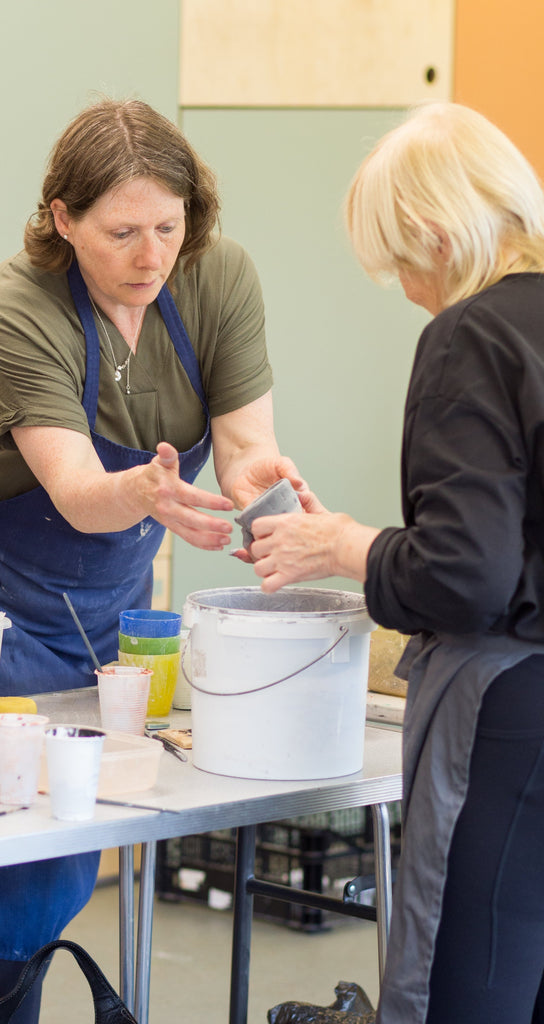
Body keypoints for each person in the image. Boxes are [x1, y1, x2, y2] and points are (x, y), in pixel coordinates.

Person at [0, 98, 311, 1022]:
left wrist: (270, 501)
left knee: (87, 817)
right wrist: (148, 495)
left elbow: (246, 443)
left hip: (105, 593)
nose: (150, 257)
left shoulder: (219, 277)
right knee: (14, 843)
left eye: (167, 227)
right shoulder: (17, 306)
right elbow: (81, 490)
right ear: (64, 219)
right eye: (121, 231)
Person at [248, 102, 544, 1023]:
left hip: (511, 710)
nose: (411, 292)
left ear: (432, 232)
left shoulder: (471, 334)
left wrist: (343, 543)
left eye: (400, 267)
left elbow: (466, 576)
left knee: (466, 986)